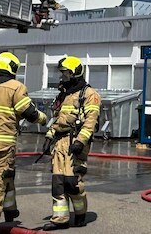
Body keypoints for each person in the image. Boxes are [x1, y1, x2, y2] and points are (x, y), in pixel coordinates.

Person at [0, 52, 47, 233]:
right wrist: (44, 119)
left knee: (7, 173)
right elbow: (29, 113)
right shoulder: (15, 87)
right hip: (4, 144)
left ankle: (10, 209)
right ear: (12, 68)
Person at [45, 56, 100, 229]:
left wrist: (80, 141)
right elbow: (57, 120)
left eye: (66, 74)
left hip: (75, 141)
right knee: (58, 182)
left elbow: (90, 121)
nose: (63, 77)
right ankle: (60, 219)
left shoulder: (89, 94)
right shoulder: (64, 94)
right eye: (62, 74)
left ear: (75, 73)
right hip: (59, 142)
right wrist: (48, 137)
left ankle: (80, 213)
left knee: (72, 182)